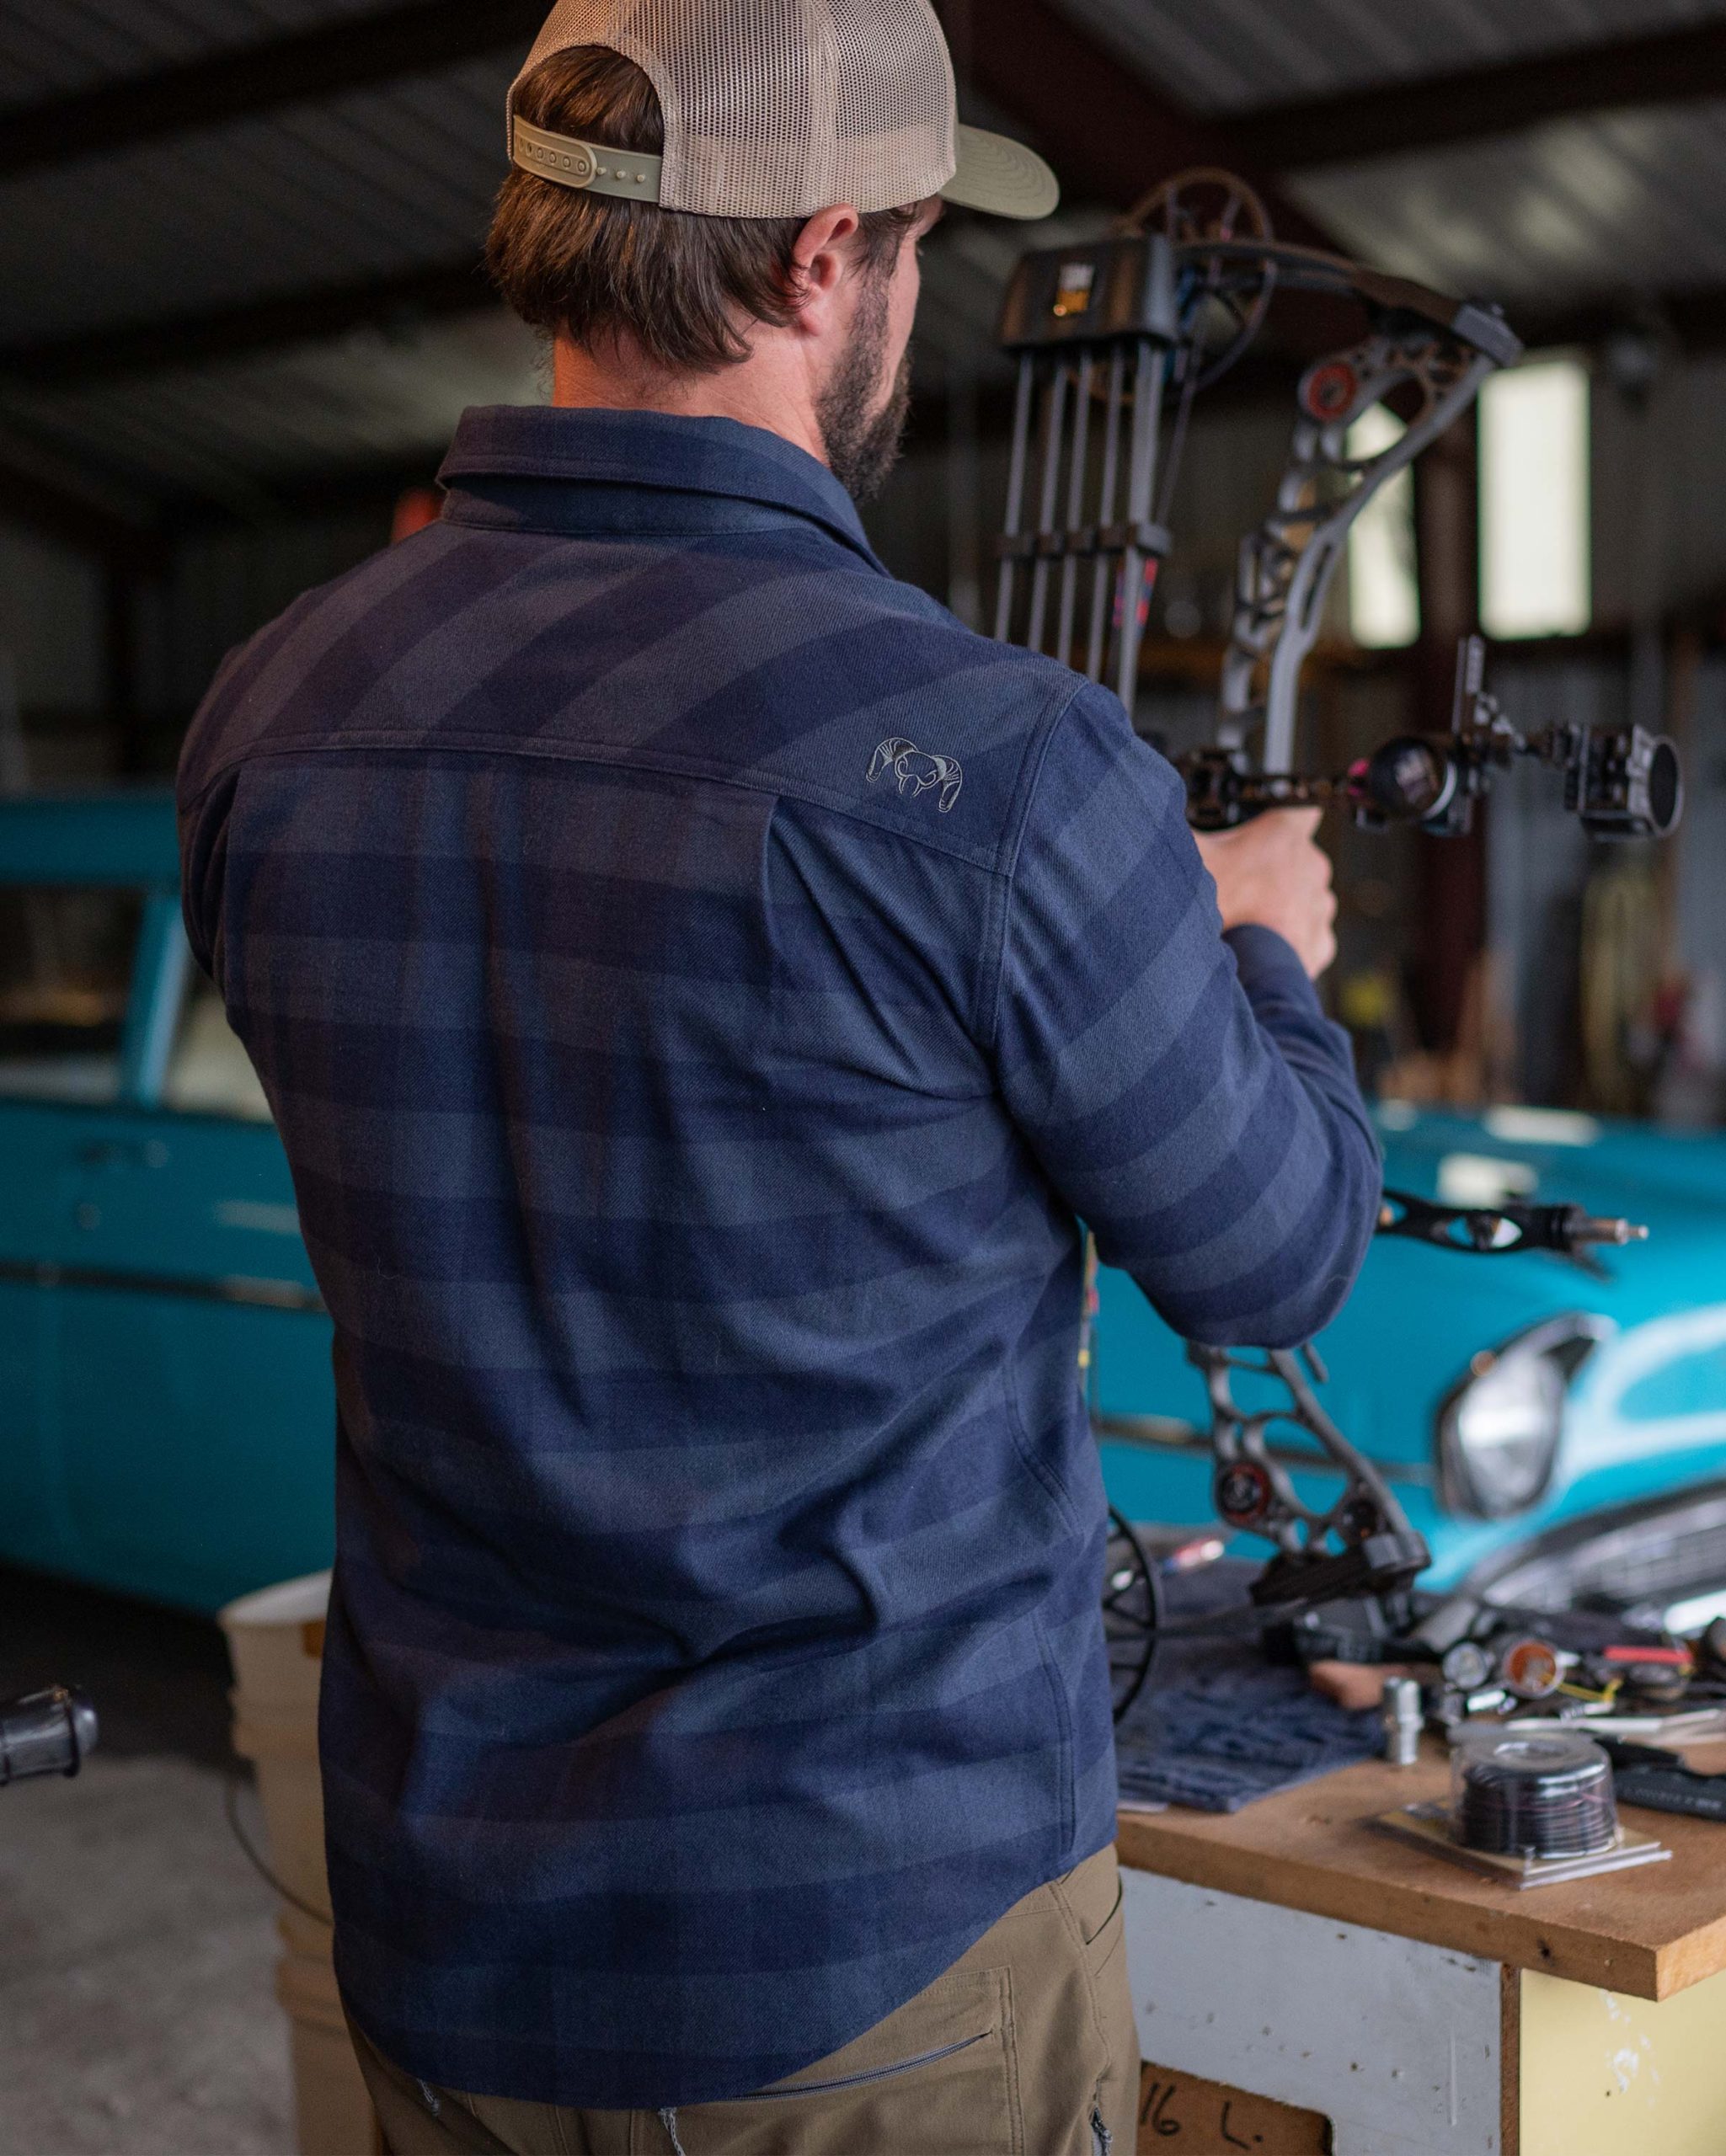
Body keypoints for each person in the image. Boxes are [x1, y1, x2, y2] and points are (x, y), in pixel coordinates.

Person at [177, 3, 1379, 2149]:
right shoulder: (996, 768)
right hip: (863, 1965)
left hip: (447, 1942)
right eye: (913, 242)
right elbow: (1272, 1251)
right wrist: (1251, 944)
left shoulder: (275, 711)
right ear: (826, 261)